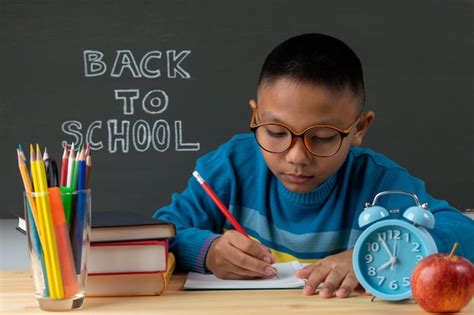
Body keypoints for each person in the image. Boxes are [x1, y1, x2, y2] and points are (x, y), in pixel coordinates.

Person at [153, 33, 473, 298]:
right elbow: (160, 234)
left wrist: (372, 252)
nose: (296, 156)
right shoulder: (230, 167)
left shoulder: (379, 182)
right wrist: (207, 251)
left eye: (321, 137)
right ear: (255, 117)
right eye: (276, 133)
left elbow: (464, 232)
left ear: (359, 128)